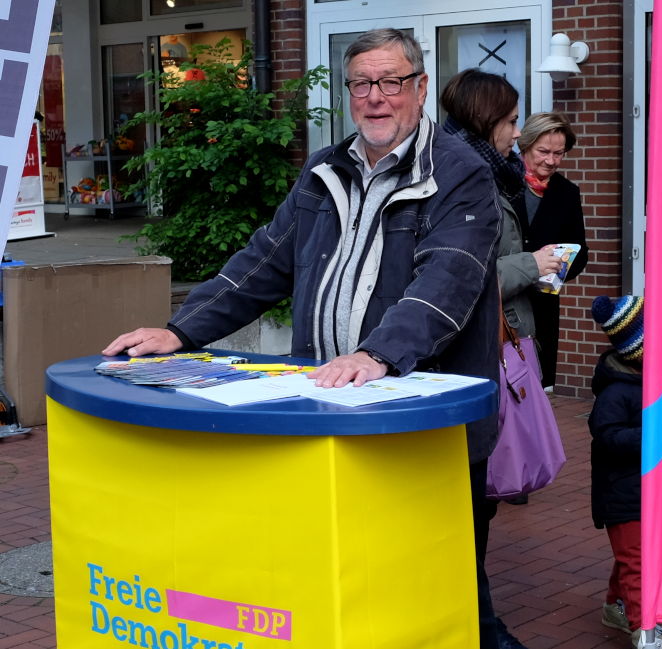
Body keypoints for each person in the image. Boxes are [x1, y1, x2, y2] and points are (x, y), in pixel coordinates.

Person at [103, 28, 504, 649]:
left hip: (425, 425)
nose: (376, 97)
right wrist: (181, 328)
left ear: (420, 89)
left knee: (442, 572)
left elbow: (448, 277)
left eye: (391, 82)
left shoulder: (460, 172)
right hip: (332, 409)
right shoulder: (325, 170)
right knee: (348, 567)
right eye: (362, 84)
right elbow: (264, 261)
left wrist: (377, 354)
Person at [439, 68, 560, 649]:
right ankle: (480, 628)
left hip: (494, 345)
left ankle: (475, 621)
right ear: (485, 120)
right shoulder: (468, 180)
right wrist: (530, 267)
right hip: (473, 353)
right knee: (470, 503)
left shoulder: (491, 173)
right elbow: (458, 275)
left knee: (476, 501)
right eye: (511, 120)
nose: (517, 132)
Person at [589, 295, 662, 649]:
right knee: (637, 561)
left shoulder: (646, 382)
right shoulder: (615, 393)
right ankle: (644, 630)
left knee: (633, 555)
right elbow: (608, 437)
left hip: (642, 490)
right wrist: (652, 434)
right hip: (621, 493)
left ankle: (614, 605)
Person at [513, 112, 589, 388]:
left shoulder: (567, 192)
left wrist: (561, 266)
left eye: (559, 153)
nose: (551, 161)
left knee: (537, 385)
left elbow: (581, 252)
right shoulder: (503, 183)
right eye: (543, 151)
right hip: (504, 301)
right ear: (525, 146)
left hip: (543, 304)